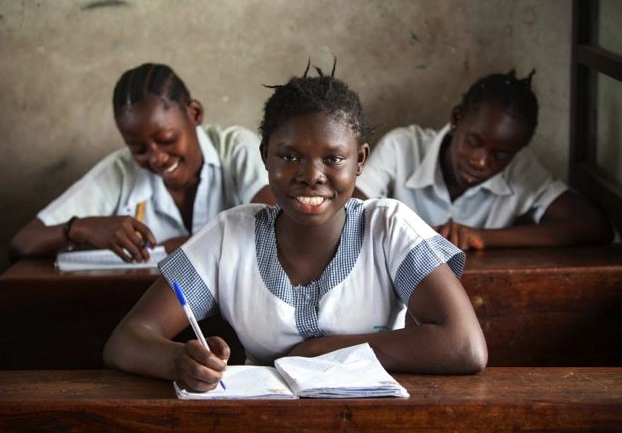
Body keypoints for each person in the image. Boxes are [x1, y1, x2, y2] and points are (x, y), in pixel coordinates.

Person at [103, 62, 487, 392]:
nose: (311, 176)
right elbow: (127, 339)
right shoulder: (228, 236)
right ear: (265, 157)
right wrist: (177, 361)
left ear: (360, 161)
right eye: (288, 156)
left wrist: (320, 351)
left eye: (334, 158)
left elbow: (465, 346)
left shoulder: (388, 227)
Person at [10, 63, 274, 263]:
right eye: (137, 149)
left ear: (194, 113)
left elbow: (276, 224)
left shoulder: (236, 147)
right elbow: (22, 243)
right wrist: (82, 227)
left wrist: (183, 246)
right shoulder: (121, 170)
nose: (156, 158)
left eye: (167, 139)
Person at [354, 70, 614, 250]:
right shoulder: (403, 147)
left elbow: (593, 227)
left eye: (500, 155)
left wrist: (481, 237)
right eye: (473, 142)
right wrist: (412, 237)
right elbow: (352, 207)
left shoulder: (521, 168)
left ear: (518, 150)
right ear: (456, 119)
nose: (480, 161)